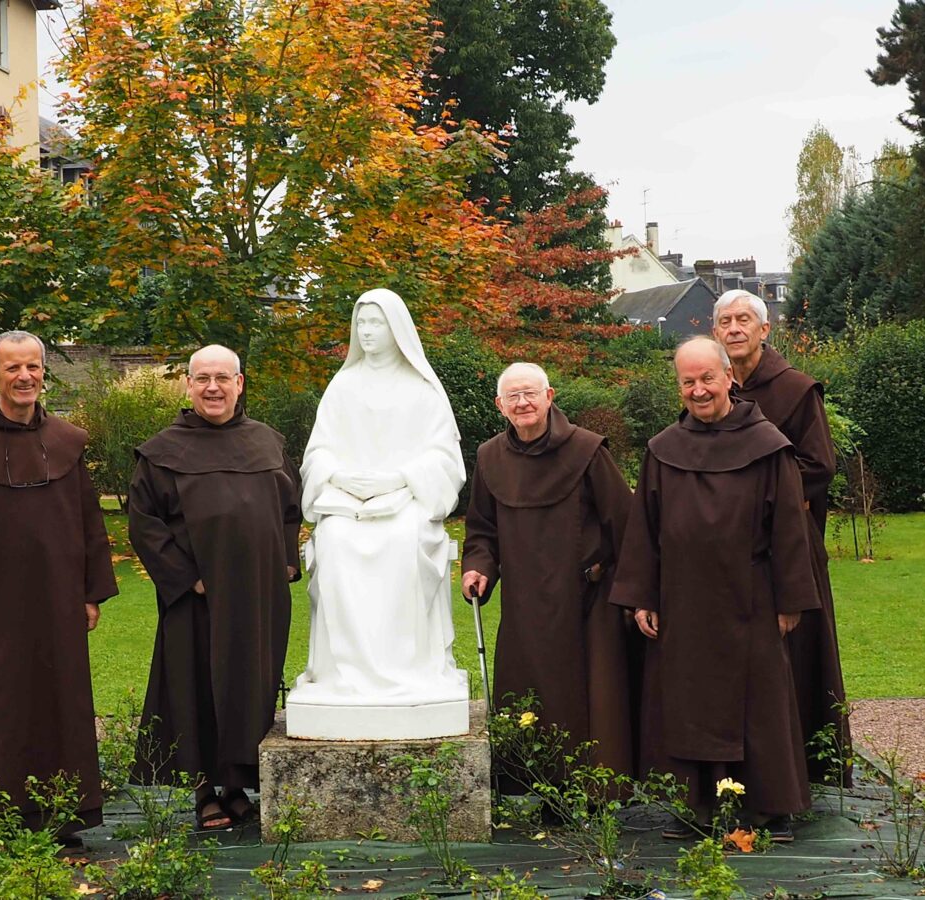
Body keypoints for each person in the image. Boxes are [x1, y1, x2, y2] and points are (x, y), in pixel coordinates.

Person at [611, 337, 819, 841]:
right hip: (682, 601)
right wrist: (643, 596)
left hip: (752, 596)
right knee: (687, 704)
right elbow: (644, 529)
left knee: (760, 703)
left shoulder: (768, 446)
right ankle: (695, 807)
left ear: (728, 377)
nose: (699, 390)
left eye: (707, 378)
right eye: (688, 382)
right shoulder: (663, 450)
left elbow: (789, 528)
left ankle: (767, 809)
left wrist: (790, 599)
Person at [0, 330, 117, 841]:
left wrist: (90, 592)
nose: (25, 377)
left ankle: (62, 814)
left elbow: (89, 521)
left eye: (33, 366)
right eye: (13, 368)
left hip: (58, 601)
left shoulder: (67, 442)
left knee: (61, 705)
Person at [128, 345, 302, 830]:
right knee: (197, 686)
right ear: (188, 385)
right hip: (198, 597)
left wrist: (286, 561)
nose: (212, 388)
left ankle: (236, 787)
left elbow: (290, 509)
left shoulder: (267, 443)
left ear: (239, 384)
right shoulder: (162, 452)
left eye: (222, 378)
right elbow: (144, 525)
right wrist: (187, 577)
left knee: (251, 684)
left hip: (259, 593)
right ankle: (205, 790)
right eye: (202, 378)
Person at [288, 288, 467, 732]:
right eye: (361, 323)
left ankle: (407, 668)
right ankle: (342, 675)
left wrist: (398, 479)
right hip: (346, 503)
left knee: (404, 538)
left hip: (406, 501)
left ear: (396, 328)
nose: (366, 332)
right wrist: (340, 477)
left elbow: (444, 457)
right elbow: (318, 451)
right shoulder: (342, 386)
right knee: (335, 541)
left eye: (376, 323)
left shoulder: (422, 390)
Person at [461, 362, 634, 788]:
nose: (523, 403)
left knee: (591, 699)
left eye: (530, 394)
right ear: (500, 405)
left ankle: (594, 791)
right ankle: (527, 787)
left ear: (549, 397)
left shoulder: (588, 451)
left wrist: (631, 591)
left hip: (586, 601)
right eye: (513, 396)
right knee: (526, 696)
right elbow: (482, 529)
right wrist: (478, 568)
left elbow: (625, 525)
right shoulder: (489, 457)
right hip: (524, 605)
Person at [713, 289, 847, 781]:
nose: (734, 329)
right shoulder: (712, 389)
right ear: (715, 333)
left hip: (789, 542)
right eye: (725, 321)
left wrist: (758, 496)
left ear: (765, 330)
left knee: (796, 649)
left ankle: (804, 764)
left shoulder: (797, 390)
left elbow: (819, 465)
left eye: (743, 320)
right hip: (729, 549)